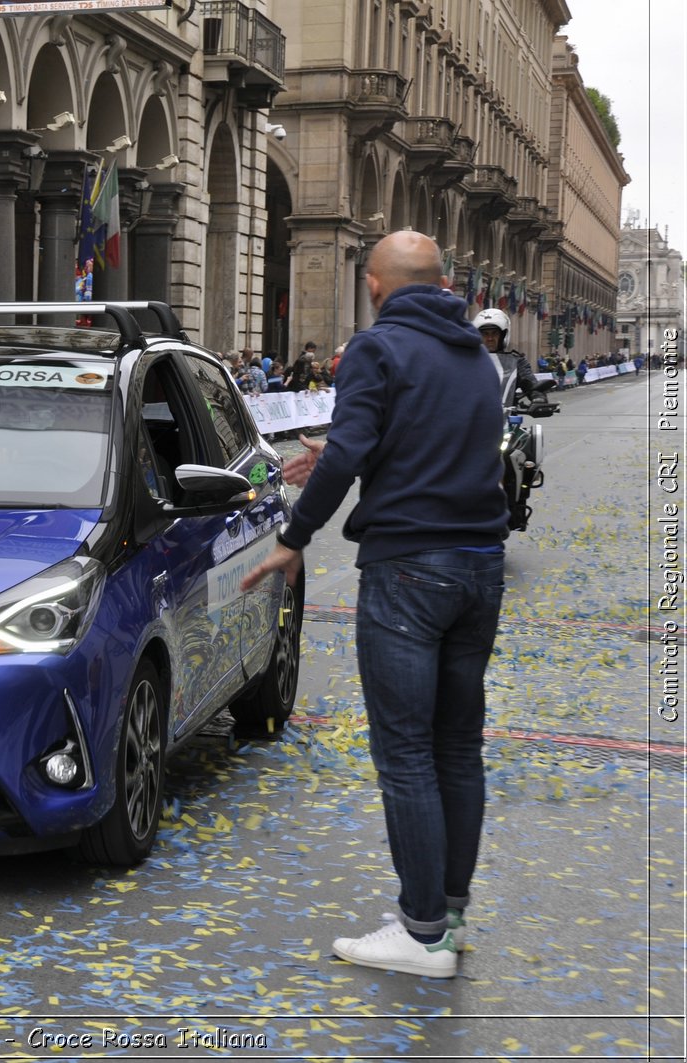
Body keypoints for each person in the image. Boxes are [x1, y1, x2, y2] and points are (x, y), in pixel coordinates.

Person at [241, 231, 508, 980]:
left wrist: (295, 538)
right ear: (443, 282)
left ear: (378, 286)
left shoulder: (378, 348)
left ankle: (422, 935)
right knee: (458, 746)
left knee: (406, 753)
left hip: (409, 569)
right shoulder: (475, 358)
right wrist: (341, 451)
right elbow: (434, 441)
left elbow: (360, 444)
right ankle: (448, 913)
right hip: (479, 568)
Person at [473, 308, 537, 401]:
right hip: (473, 413)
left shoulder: (516, 361)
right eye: (485, 334)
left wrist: (537, 396)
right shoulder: (468, 360)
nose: (490, 338)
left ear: (503, 336)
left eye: (494, 333)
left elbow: (529, 380)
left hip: (505, 412)